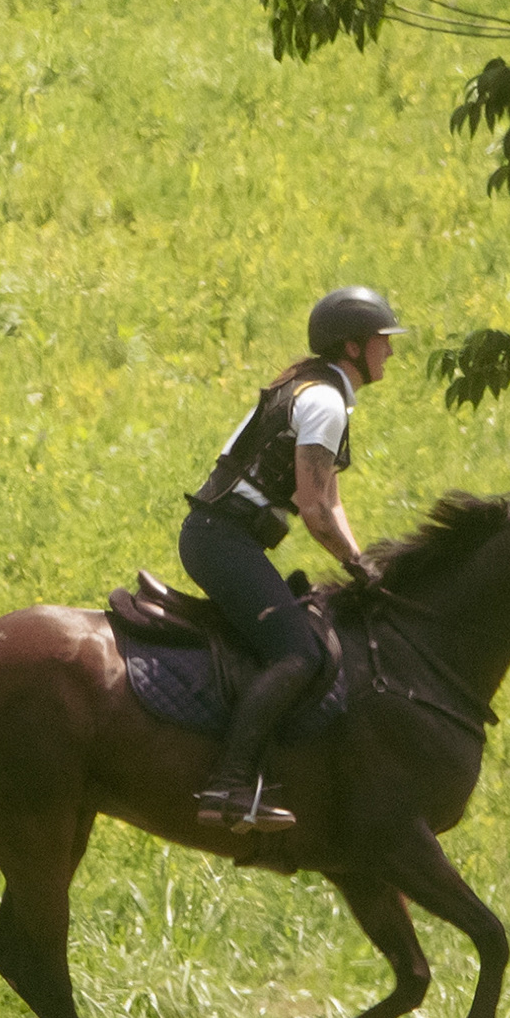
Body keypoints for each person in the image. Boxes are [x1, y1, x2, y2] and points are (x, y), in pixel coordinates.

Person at [178, 285, 406, 831]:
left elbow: (330, 501)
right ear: (353, 347)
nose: (391, 351)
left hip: (222, 537)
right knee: (297, 653)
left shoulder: (315, 391)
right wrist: (356, 566)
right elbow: (314, 508)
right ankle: (230, 784)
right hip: (222, 541)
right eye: (383, 340)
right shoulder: (324, 403)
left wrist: (362, 563)